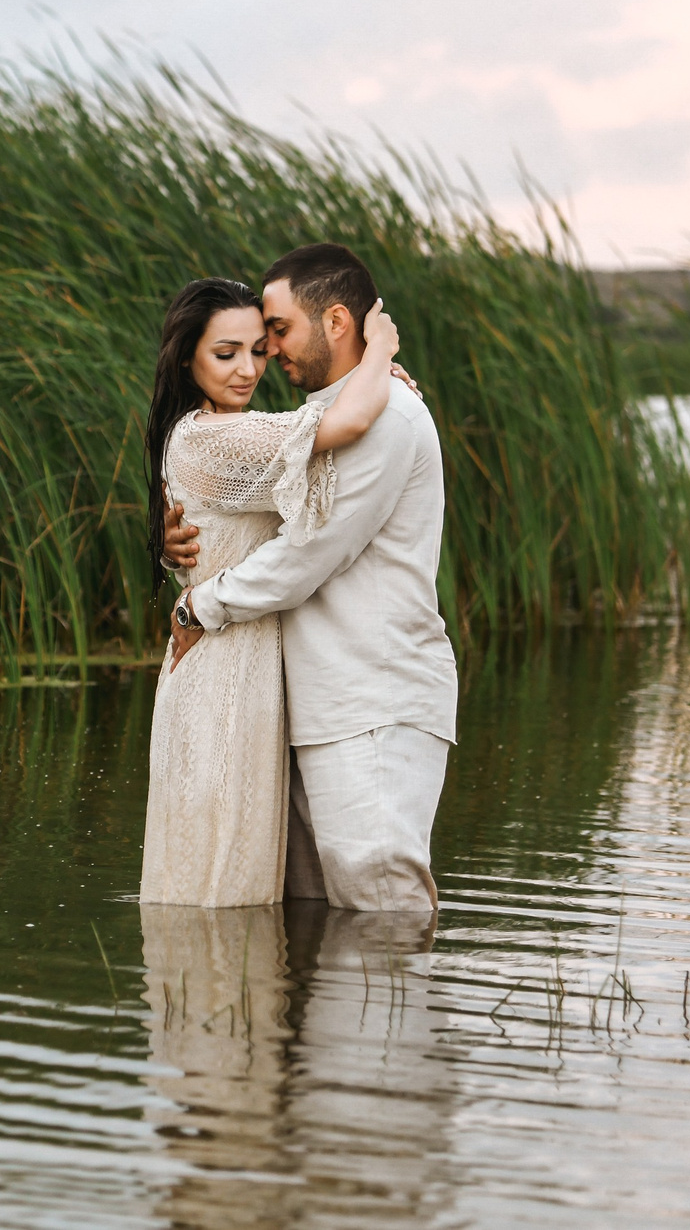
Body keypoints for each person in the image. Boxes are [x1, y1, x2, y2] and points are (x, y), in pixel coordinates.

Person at [163, 242, 457, 913]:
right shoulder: (314, 419)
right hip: (305, 705)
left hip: (373, 704)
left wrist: (197, 606)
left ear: (337, 323)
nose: (266, 352)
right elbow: (215, 508)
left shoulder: (384, 417)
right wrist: (170, 539)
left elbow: (306, 552)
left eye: (277, 330)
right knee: (312, 921)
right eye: (248, 341)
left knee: (381, 906)